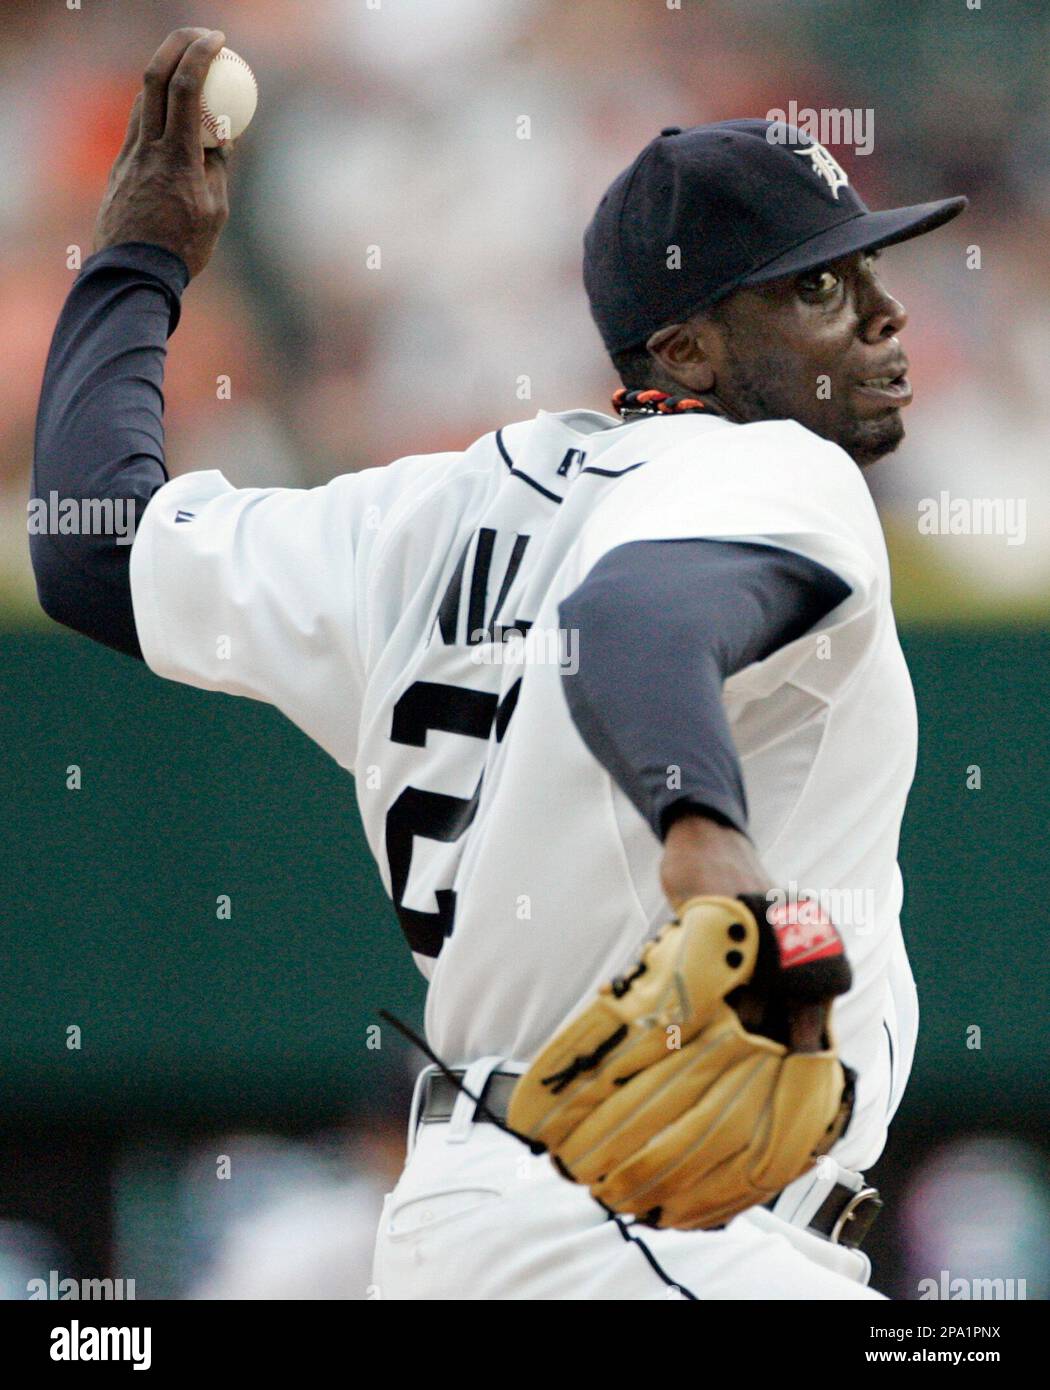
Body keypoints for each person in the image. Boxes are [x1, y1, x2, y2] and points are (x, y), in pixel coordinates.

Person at [30, 29, 966, 1299]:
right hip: (658, 1234)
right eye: (816, 287)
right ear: (683, 352)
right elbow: (636, 620)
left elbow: (94, 549)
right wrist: (702, 834)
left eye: (866, 265)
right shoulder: (768, 467)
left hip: (470, 1222)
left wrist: (138, 261)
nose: (882, 308)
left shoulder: (414, 515)